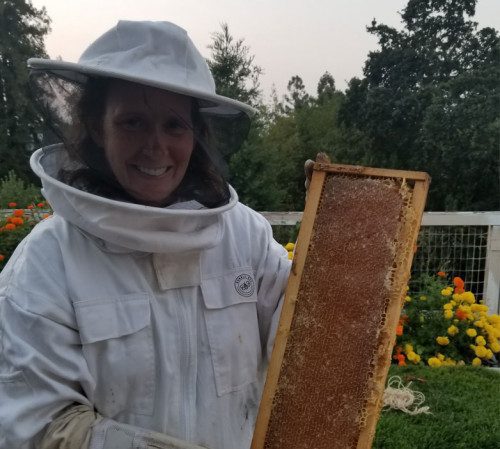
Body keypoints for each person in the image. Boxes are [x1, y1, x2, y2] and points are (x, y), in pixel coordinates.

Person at [0, 21, 291, 449]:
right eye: (133, 122)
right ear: (98, 128)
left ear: (196, 135)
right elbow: (34, 422)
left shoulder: (244, 235)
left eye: (174, 126)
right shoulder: (47, 263)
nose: (156, 146)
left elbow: (302, 330)